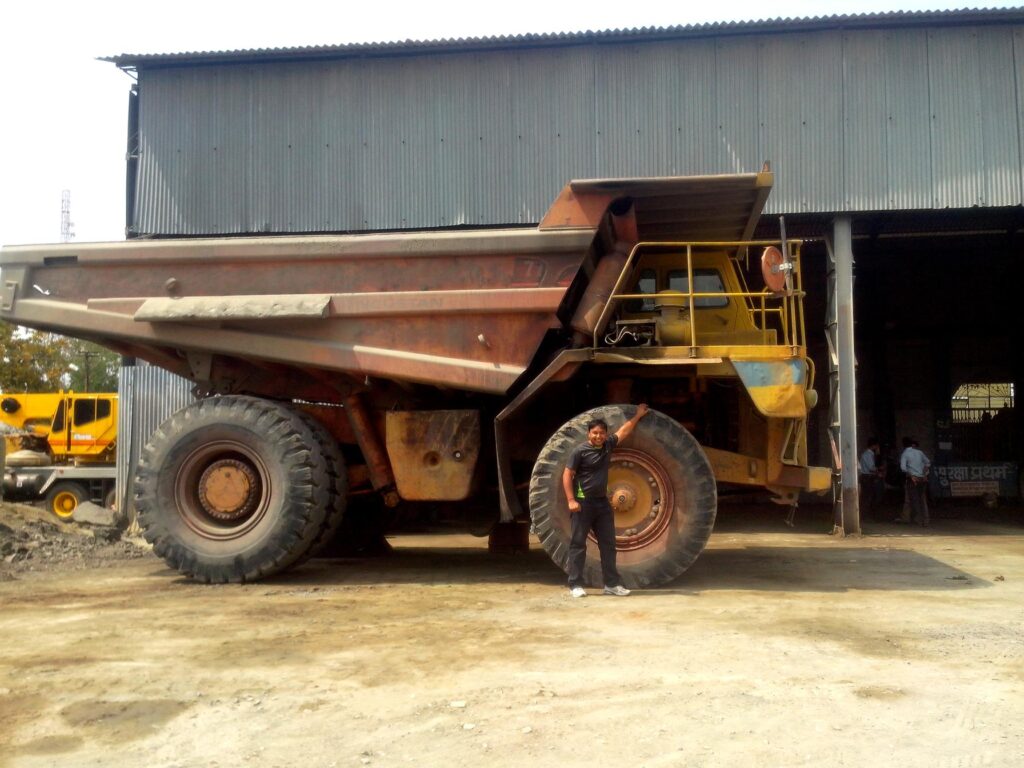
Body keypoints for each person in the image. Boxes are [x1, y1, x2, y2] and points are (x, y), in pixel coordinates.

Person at [562, 404, 650, 598]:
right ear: (588, 434)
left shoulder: (607, 445)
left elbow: (623, 431)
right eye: (594, 433)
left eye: (601, 433)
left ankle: (611, 584)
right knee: (578, 544)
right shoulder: (580, 452)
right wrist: (570, 500)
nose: (598, 436)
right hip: (583, 504)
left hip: (602, 504)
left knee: (608, 545)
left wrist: (637, 416)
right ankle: (575, 584)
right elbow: (567, 474)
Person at [900, 438, 931, 527]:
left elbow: (903, 468)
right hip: (922, 479)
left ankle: (918, 520)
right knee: (922, 500)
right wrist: (925, 474)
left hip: (912, 479)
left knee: (913, 500)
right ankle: (926, 520)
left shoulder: (905, 454)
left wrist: (911, 476)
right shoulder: (920, 453)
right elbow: (928, 463)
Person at [858, 437, 884, 518]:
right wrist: (879, 470)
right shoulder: (868, 454)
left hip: (867, 477)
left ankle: (866, 514)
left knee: (869, 496)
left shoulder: (869, 454)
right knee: (868, 496)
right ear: (874, 445)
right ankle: (865, 514)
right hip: (867, 477)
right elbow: (871, 468)